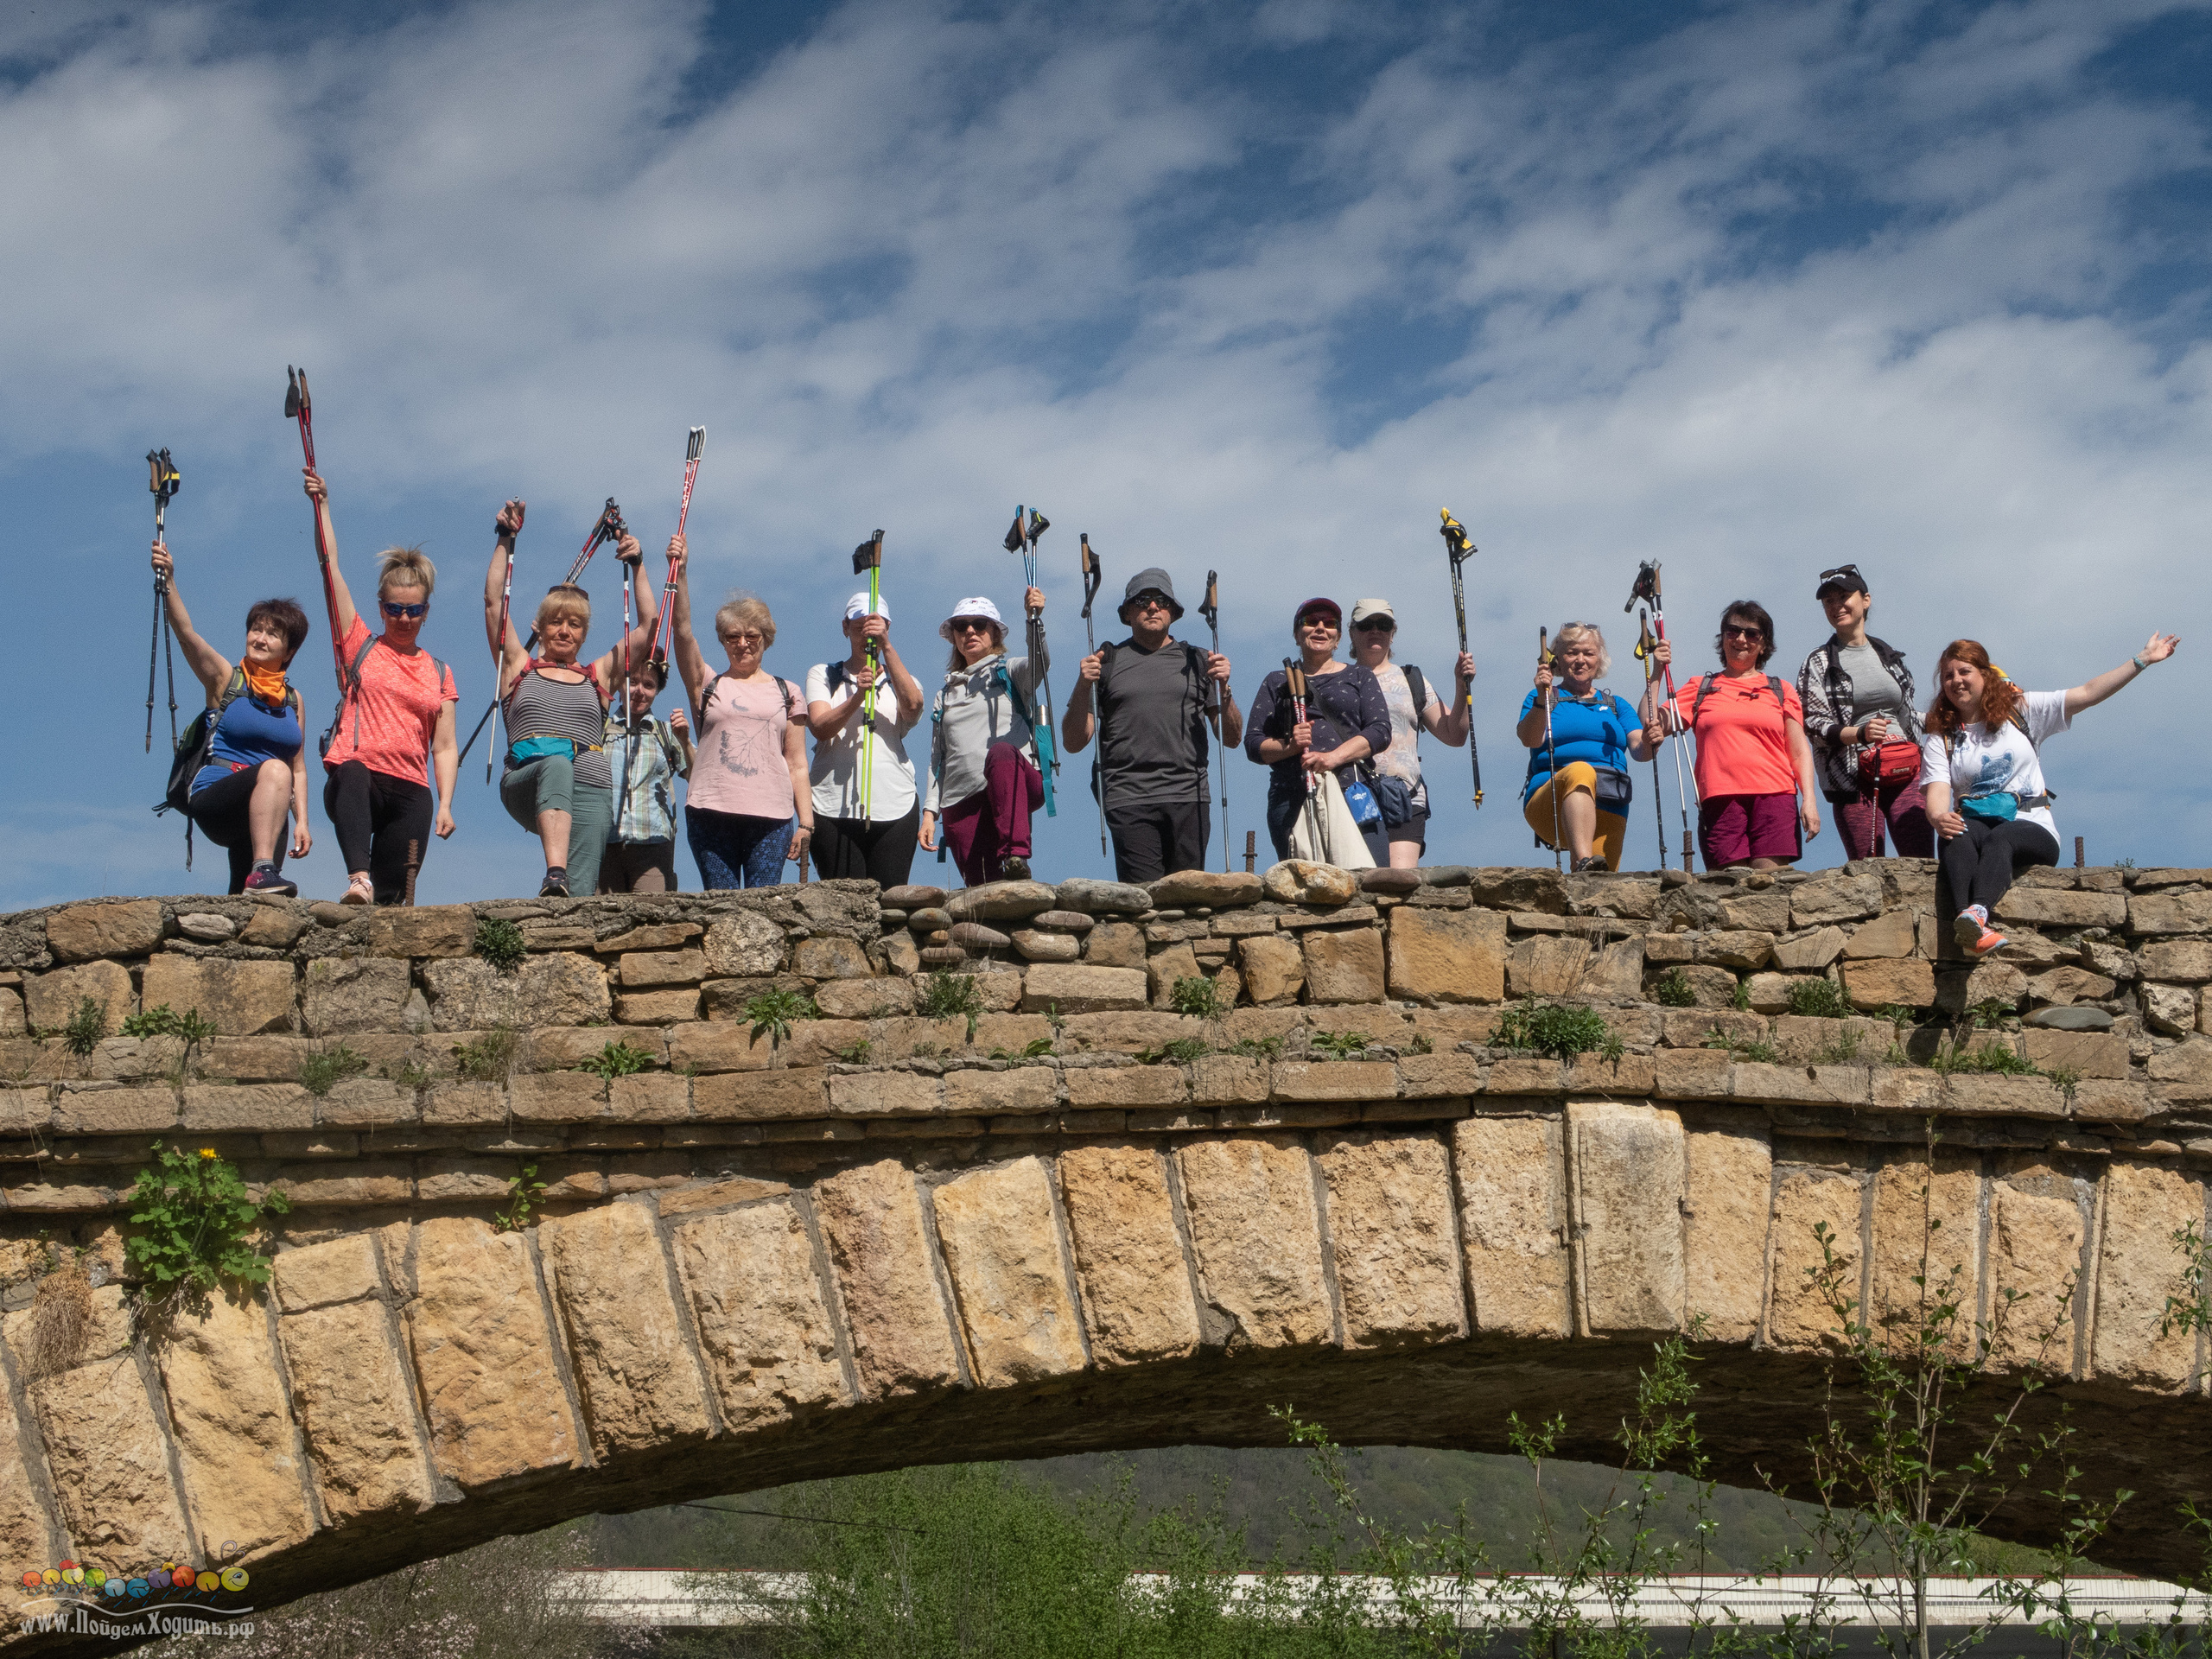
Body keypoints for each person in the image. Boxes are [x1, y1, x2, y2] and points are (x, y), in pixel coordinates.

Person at [1921, 632, 2178, 956]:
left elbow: (2087, 693)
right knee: (1954, 834)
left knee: (2001, 838)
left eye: (1964, 672)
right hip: (1977, 822)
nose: (1956, 681)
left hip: (2031, 824)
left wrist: (2141, 661)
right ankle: (1968, 925)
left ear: (1985, 675)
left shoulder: (2022, 710)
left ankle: (1978, 913)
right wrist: (1938, 817)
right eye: (1948, 675)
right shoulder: (1940, 737)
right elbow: (1938, 794)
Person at [483, 498, 658, 899]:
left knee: (579, 895)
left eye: (575, 624)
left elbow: (649, 627)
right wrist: (505, 539)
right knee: (557, 767)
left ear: (584, 633)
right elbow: (495, 602)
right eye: (556, 622)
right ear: (540, 628)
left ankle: (561, 916)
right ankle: (554, 872)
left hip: (591, 783)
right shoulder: (518, 667)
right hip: (527, 777)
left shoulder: (597, 676)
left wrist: (638, 564)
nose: (565, 630)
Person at [302, 467, 458, 906]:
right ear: (381, 607)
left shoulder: (440, 671)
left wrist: (445, 802)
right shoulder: (360, 645)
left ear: (426, 612)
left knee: (394, 903)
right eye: (394, 609)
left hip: (411, 788)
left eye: (413, 611)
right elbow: (329, 568)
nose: (403, 619)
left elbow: (444, 747)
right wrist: (323, 507)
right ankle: (357, 878)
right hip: (360, 777)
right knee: (350, 772)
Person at [149, 542, 312, 894]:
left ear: (290, 650)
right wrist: (170, 581)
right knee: (274, 771)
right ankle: (264, 867)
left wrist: (303, 821)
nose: (260, 638)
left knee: (254, 902)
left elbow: (298, 766)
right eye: (256, 628)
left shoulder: (293, 700)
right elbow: (187, 635)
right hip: (217, 796)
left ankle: (256, 881)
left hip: (270, 808)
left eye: (272, 633)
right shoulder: (227, 679)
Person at [1061, 568, 1243, 882]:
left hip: (1189, 796)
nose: (1153, 607)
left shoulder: (1198, 660)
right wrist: (1082, 685)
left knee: (1188, 897)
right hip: (1128, 796)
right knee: (1143, 900)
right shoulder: (1107, 661)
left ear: (1172, 610)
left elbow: (1231, 738)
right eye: (1142, 600)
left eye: (1161, 600)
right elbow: (1074, 742)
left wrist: (1224, 688)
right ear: (1128, 612)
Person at [666, 537, 814, 888]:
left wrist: (806, 823)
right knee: (721, 904)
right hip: (710, 810)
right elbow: (683, 632)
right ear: (722, 641)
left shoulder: (788, 691)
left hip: (772, 816)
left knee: (764, 906)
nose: (743, 643)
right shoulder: (708, 684)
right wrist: (680, 572)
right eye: (732, 636)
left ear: (766, 639)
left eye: (752, 636)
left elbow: (796, 763)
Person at [1645, 601, 1821, 871]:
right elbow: (1652, 721)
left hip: (1775, 796)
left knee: (1770, 885)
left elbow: (1798, 750)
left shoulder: (1780, 689)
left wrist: (1809, 800)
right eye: (1732, 631)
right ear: (1723, 638)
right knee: (1727, 888)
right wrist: (1656, 671)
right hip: (1719, 800)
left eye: (1752, 634)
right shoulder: (1700, 687)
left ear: (1764, 644)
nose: (1741, 639)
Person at [1797, 565, 1931, 861]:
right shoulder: (1818, 662)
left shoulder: (1890, 657)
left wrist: (1941, 720)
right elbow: (1813, 724)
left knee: (1922, 861)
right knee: (1867, 869)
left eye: (1844, 596)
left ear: (1865, 600)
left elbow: (1907, 716)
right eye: (1828, 602)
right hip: (1852, 778)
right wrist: (1859, 733)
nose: (1836, 606)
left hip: (1905, 767)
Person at [1244, 597, 1390, 867]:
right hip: (1293, 796)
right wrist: (1290, 747)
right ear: (1298, 633)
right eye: (1311, 622)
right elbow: (1253, 744)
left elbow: (1380, 731)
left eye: (1329, 623)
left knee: (1374, 880)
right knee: (1305, 889)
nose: (1321, 628)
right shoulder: (1277, 682)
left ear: (1338, 637)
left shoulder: (1360, 676)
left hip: (1353, 791)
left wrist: (1332, 758)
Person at [921, 588, 1051, 885]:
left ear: (994, 633)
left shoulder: (1010, 670)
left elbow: (1039, 665)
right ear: (953, 636)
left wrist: (1035, 623)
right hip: (959, 798)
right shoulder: (945, 694)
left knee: (1002, 752)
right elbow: (937, 757)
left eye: (979, 624)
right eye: (961, 625)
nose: (969, 631)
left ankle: (1015, 854)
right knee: (981, 894)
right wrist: (930, 812)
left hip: (1012, 783)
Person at [1516, 622, 1660, 873]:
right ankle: (1583, 858)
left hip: (1611, 803)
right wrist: (1542, 699)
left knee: (1602, 888)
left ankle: (1583, 871)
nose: (1580, 660)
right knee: (1581, 771)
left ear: (1599, 659)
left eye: (1589, 653)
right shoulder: (1543, 698)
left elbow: (1641, 751)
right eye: (1572, 652)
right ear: (1557, 659)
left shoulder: (1617, 705)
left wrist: (1649, 739)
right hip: (1550, 799)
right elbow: (1529, 738)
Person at [805, 590, 924, 887]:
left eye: (874, 629)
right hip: (832, 807)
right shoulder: (823, 675)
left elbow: (913, 707)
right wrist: (859, 695)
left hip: (895, 805)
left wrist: (887, 647)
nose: (865, 637)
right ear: (845, 628)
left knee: (891, 901)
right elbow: (820, 726)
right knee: (844, 904)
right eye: (858, 629)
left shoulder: (902, 681)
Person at [1345, 597, 1474, 869]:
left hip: (1404, 794)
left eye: (1384, 624)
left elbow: (1454, 735)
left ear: (1393, 633)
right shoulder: (1337, 681)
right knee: (1356, 880)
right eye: (1367, 624)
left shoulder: (1412, 679)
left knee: (1399, 882)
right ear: (1352, 632)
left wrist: (1461, 685)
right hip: (1352, 794)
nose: (1376, 630)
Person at [601, 658, 694, 893]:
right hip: (604, 843)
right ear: (621, 683)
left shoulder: (665, 733)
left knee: (652, 921)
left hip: (653, 846)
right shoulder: (600, 730)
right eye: (633, 682)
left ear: (657, 691)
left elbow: (697, 778)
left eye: (649, 685)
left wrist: (684, 740)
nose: (640, 691)